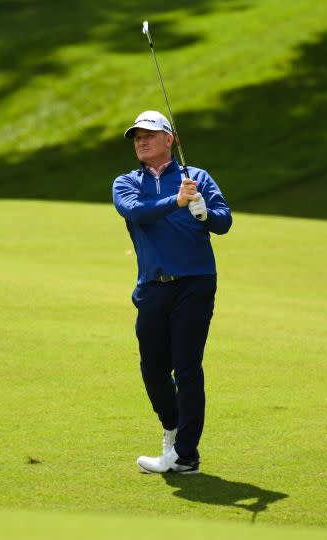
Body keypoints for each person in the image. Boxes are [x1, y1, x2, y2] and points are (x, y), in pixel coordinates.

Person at [112, 110, 232, 474]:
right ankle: (172, 429)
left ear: (170, 139)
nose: (142, 141)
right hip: (152, 286)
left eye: (149, 134)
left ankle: (185, 454)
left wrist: (202, 212)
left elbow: (224, 222)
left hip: (196, 282)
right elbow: (134, 211)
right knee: (153, 368)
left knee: (188, 366)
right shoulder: (126, 182)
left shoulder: (197, 178)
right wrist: (176, 203)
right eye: (137, 137)